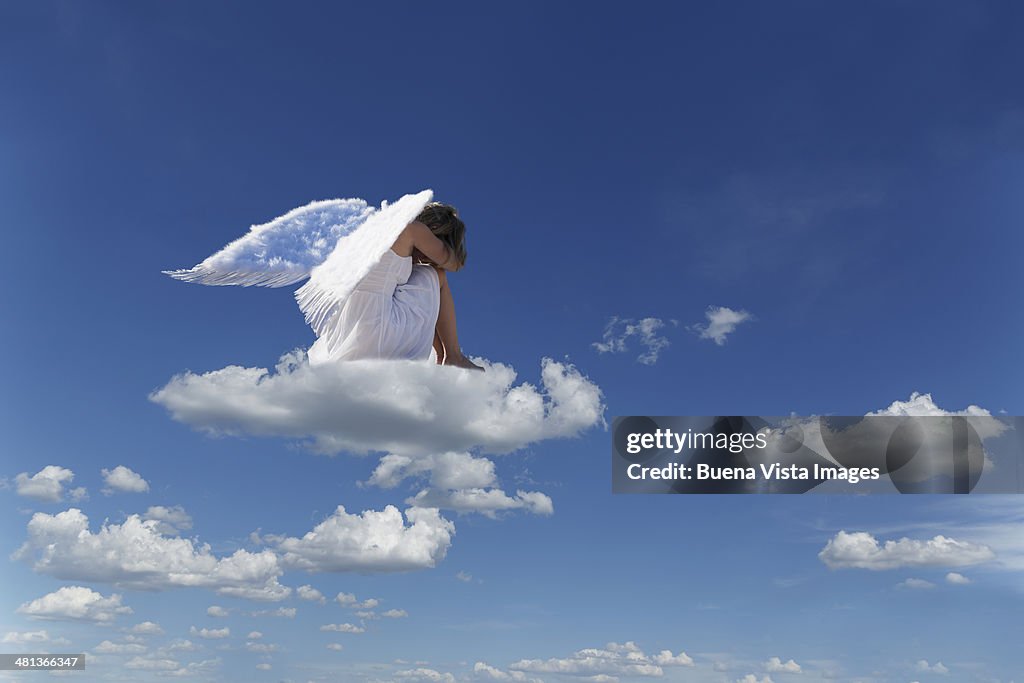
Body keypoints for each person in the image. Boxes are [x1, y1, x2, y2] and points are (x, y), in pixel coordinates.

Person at [312, 202, 484, 370]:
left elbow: (423, 308)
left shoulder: (377, 239)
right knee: (437, 275)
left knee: (423, 283)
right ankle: (452, 356)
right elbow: (454, 264)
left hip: (355, 334)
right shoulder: (410, 229)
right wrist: (448, 254)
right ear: (432, 228)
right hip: (379, 331)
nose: (426, 259)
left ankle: (443, 357)